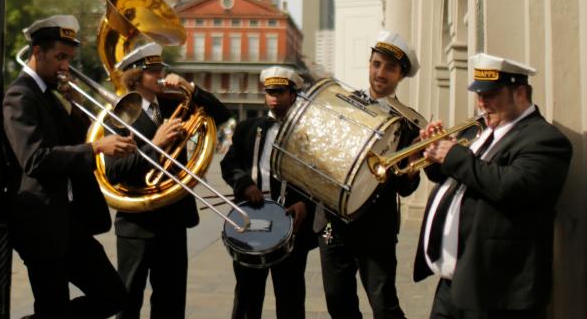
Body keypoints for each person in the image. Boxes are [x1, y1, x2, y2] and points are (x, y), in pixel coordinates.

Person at [414, 53, 571, 319]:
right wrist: (433, 156)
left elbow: (510, 186)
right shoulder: (479, 130)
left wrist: (452, 155)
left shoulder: (545, 140)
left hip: (497, 292)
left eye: (491, 95)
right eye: (478, 95)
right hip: (455, 285)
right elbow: (458, 178)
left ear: (520, 93)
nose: (482, 103)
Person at [3, 15, 137, 319]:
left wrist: (76, 105)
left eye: (69, 58)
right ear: (37, 53)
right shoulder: (19, 95)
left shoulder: (47, 96)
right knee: (53, 306)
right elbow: (35, 159)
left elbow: (76, 140)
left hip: (66, 221)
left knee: (112, 295)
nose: (65, 66)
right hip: (38, 223)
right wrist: (96, 148)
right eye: (59, 57)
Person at [104, 42, 230, 319]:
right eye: (154, 70)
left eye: (161, 68)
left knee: (171, 303)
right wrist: (156, 143)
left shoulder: (175, 103)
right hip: (137, 224)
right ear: (135, 76)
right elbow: (115, 172)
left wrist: (191, 88)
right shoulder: (119, 114)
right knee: (128, 301)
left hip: (174, 218)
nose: (161, 74)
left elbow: (222, 114)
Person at [314, 30, 425, 319]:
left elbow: (405, 188)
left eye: (390, 68)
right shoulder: (341, 102)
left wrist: (412, 161)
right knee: (338, 303)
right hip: (332, 221)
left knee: (384, 304)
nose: (381, 72)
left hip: (376, 226)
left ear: (401, 75)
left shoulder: (410, 122)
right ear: (369, 64)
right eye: (376, 64)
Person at [220, 66, 317, 319]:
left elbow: (317, 178)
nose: (273, 97)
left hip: (290, 223)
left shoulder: (307, 134)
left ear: (293, 94)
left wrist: (305, 204)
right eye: (269, 92)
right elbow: (229, 165)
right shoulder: (247, 128)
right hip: (253, 219)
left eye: (280, 92)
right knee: (247, 295)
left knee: (291, 298)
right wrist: (244, 186)